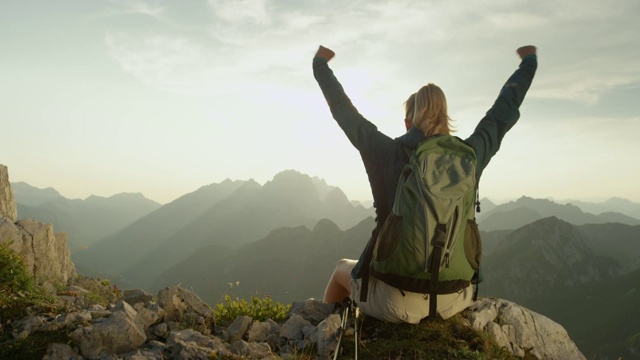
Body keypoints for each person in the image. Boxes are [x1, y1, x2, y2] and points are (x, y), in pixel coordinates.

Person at [313, 44, 537, 323]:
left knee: (340, 270)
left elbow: (346, 114)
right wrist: (528, 63)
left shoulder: (387, 152)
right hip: (455, 297)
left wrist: (320, 66)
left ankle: (330, 331)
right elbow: (501, 114)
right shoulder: (471, 155)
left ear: (411, 120)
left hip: (394, 299)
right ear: (446, 116)